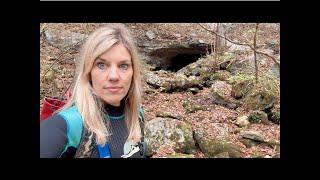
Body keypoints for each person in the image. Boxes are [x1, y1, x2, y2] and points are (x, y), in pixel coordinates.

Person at [40, 23, 146, 158]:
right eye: (101, 65)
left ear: (133, 72)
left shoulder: (137, 115)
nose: (114, 76)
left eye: (123, 66)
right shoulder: (69, 124)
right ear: (88, 71)